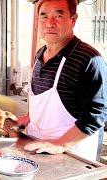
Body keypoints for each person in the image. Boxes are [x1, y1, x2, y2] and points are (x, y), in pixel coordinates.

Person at [17, 0, 107, 161]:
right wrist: (28, 117)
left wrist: (61, 144)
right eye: (44, 16)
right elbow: (38, 96)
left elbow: (98, 112)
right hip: (36, 147)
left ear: (73, 20)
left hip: (71, 156)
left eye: (58, 16)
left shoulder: (89, 60)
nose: (49, 23)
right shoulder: (40, 55)